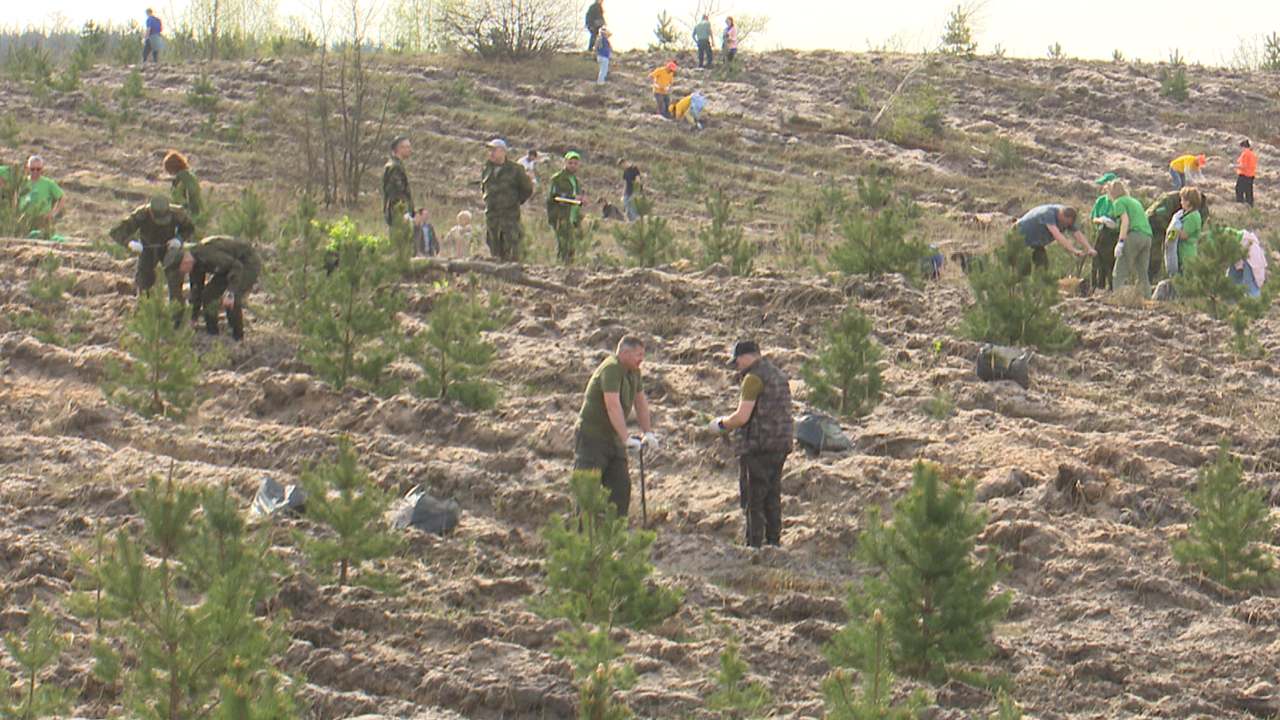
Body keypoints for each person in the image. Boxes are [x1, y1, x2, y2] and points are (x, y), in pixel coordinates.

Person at [708, 341, 793, 548]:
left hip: (757, 447)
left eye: (737, 361)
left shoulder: (753, 378)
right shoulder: (779, 375)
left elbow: (742, 417)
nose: (737, 366)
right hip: (780, 445)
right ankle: (774, 544)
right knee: (772, 497)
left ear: (747, 357)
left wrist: (720, 424)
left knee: (753, 500)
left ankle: (754, 546)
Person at [574, 336, 657, 517]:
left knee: (620, 488)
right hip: (592, 438)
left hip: (613, 438)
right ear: (625, 353)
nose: (642, 359)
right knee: (588, 491)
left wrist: (648, 432)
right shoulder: (611, 368)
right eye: (638, 354)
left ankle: (616, 534)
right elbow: (612, 405)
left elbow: (641, 403)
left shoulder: (634, 372)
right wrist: (626, 437)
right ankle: (584, 538)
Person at [163, 235, 261, 341]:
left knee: (233, 300)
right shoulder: (195, 263)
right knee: (208, 295)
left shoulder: (208, 254)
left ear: (185, 261)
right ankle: (213, 333)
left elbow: (236, 266)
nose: (183, 273)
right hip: (228, 267)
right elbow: (197, 291)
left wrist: (230, 293)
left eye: (181, 269)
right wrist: (192, 318)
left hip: (246, 263)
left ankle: (238, 337)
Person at [110, 194, 196, 298]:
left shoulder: (176, 213)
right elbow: (116, 231)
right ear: (150, 212)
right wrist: (130, 243)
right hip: (147, 248)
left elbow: (189, 227)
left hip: (169, 248)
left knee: (175, 279)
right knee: (144, 282)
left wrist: (179, 239)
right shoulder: (141, 214)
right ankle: (145, 309)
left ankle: (176, 311)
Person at [480, 138, 534, 262]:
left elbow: (527, 189)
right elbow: (484, 189)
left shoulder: (515, 170)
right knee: (494, 248)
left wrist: (514, 202)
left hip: (509, 217)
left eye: (495, 150)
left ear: (504, 152)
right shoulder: (487, 169)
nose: (491, 153)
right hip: (492, 216)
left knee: (510, 249)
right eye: (490, 151)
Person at [1107, 180, 1154, 298]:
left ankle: (1118, 299)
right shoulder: (1134, 201)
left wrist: (1121, 242)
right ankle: (1147, 300)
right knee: (1143, 273)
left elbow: (1125, 221)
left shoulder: (1118, 202)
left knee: (1119, 272)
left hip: (1134, 236)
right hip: (1147, 236)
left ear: (1112, 192)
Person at [1014, 204, 1095, 269]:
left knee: (1043, 268)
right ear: (1062, 215)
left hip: (1036, 244)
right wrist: (1074, 250)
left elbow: (1077, 233)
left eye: (1068, 224)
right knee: (1023, 269)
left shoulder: (1066, 216)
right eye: (1066, 223)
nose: (1066, 226)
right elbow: (1057, 235)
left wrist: (1089, 248)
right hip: (1020, 239)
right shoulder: (1048, 214)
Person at [547, 151, 586, 265]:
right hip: (561, 215)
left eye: (575, 163)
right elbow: (554, 197)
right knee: (564, 245)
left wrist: (581, 201)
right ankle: (560, 267)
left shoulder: (576, 181)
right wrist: (572, 197)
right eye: (570, 163)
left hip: (572, 216)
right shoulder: (558, 178)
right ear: (565, 163)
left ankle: (569, 268)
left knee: (572, 247)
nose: (573, 166)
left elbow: (576, 198)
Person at [19, 155, 66, 234]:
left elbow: (62, 197)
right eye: (32, 169)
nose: (35, 172)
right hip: (25, 220)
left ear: (42, 168)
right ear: (27, 168)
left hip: (43, 220)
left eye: (38, 169)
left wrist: (54, 213)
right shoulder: (22, 182)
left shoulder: (48, 183)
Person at [1089, 172, 1119, 291]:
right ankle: (1097, 287)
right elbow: (1093, 217)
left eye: (1104, 184)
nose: (1102, 187)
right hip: (1101, 234)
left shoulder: (1118, 201)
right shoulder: (1101, 201)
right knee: (1097, 262)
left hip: (1113, 236)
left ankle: (1112, 288)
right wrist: (1101, 221)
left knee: (1110, 264)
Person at [1226, 228, 1268, 298]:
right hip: (1237, 254)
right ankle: (1230, 303)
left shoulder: (1252, 250)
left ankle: (1254, 304)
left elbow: (1257, 271)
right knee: (1232, 281)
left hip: (1250, 257)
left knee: (1249, 283)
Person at [1171, 186, 1204, 273]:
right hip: (1181, 255)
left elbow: (1183, 235)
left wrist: (1174, 228)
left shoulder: (1193, 217)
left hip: (1187, 256)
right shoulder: (1186, 214)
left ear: (1188, 202)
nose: (1181, 203)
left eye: (1183, 200)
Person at [382, 136, 413, 227]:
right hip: (398, 213)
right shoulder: (394, 167)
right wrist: (405, 211)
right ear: (400, 149)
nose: (410, 150)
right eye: (408, 147)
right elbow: (397, 193)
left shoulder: (398, 166)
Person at [163, 151, 202, 218]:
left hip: (186, 212)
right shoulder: (191, 176)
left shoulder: (180, 178)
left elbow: (177, 197)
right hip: (198, 210)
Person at [1236, 138, 1257, 207]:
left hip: (1244, 175)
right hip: (1251, 175)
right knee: (1249, 191)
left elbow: (1244, 166)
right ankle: (1250, 205)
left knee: (1239, 189)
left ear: (1243, 147)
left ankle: (1240, 204)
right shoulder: (1254, 155)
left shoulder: (1245, 154)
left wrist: (1235, 166)